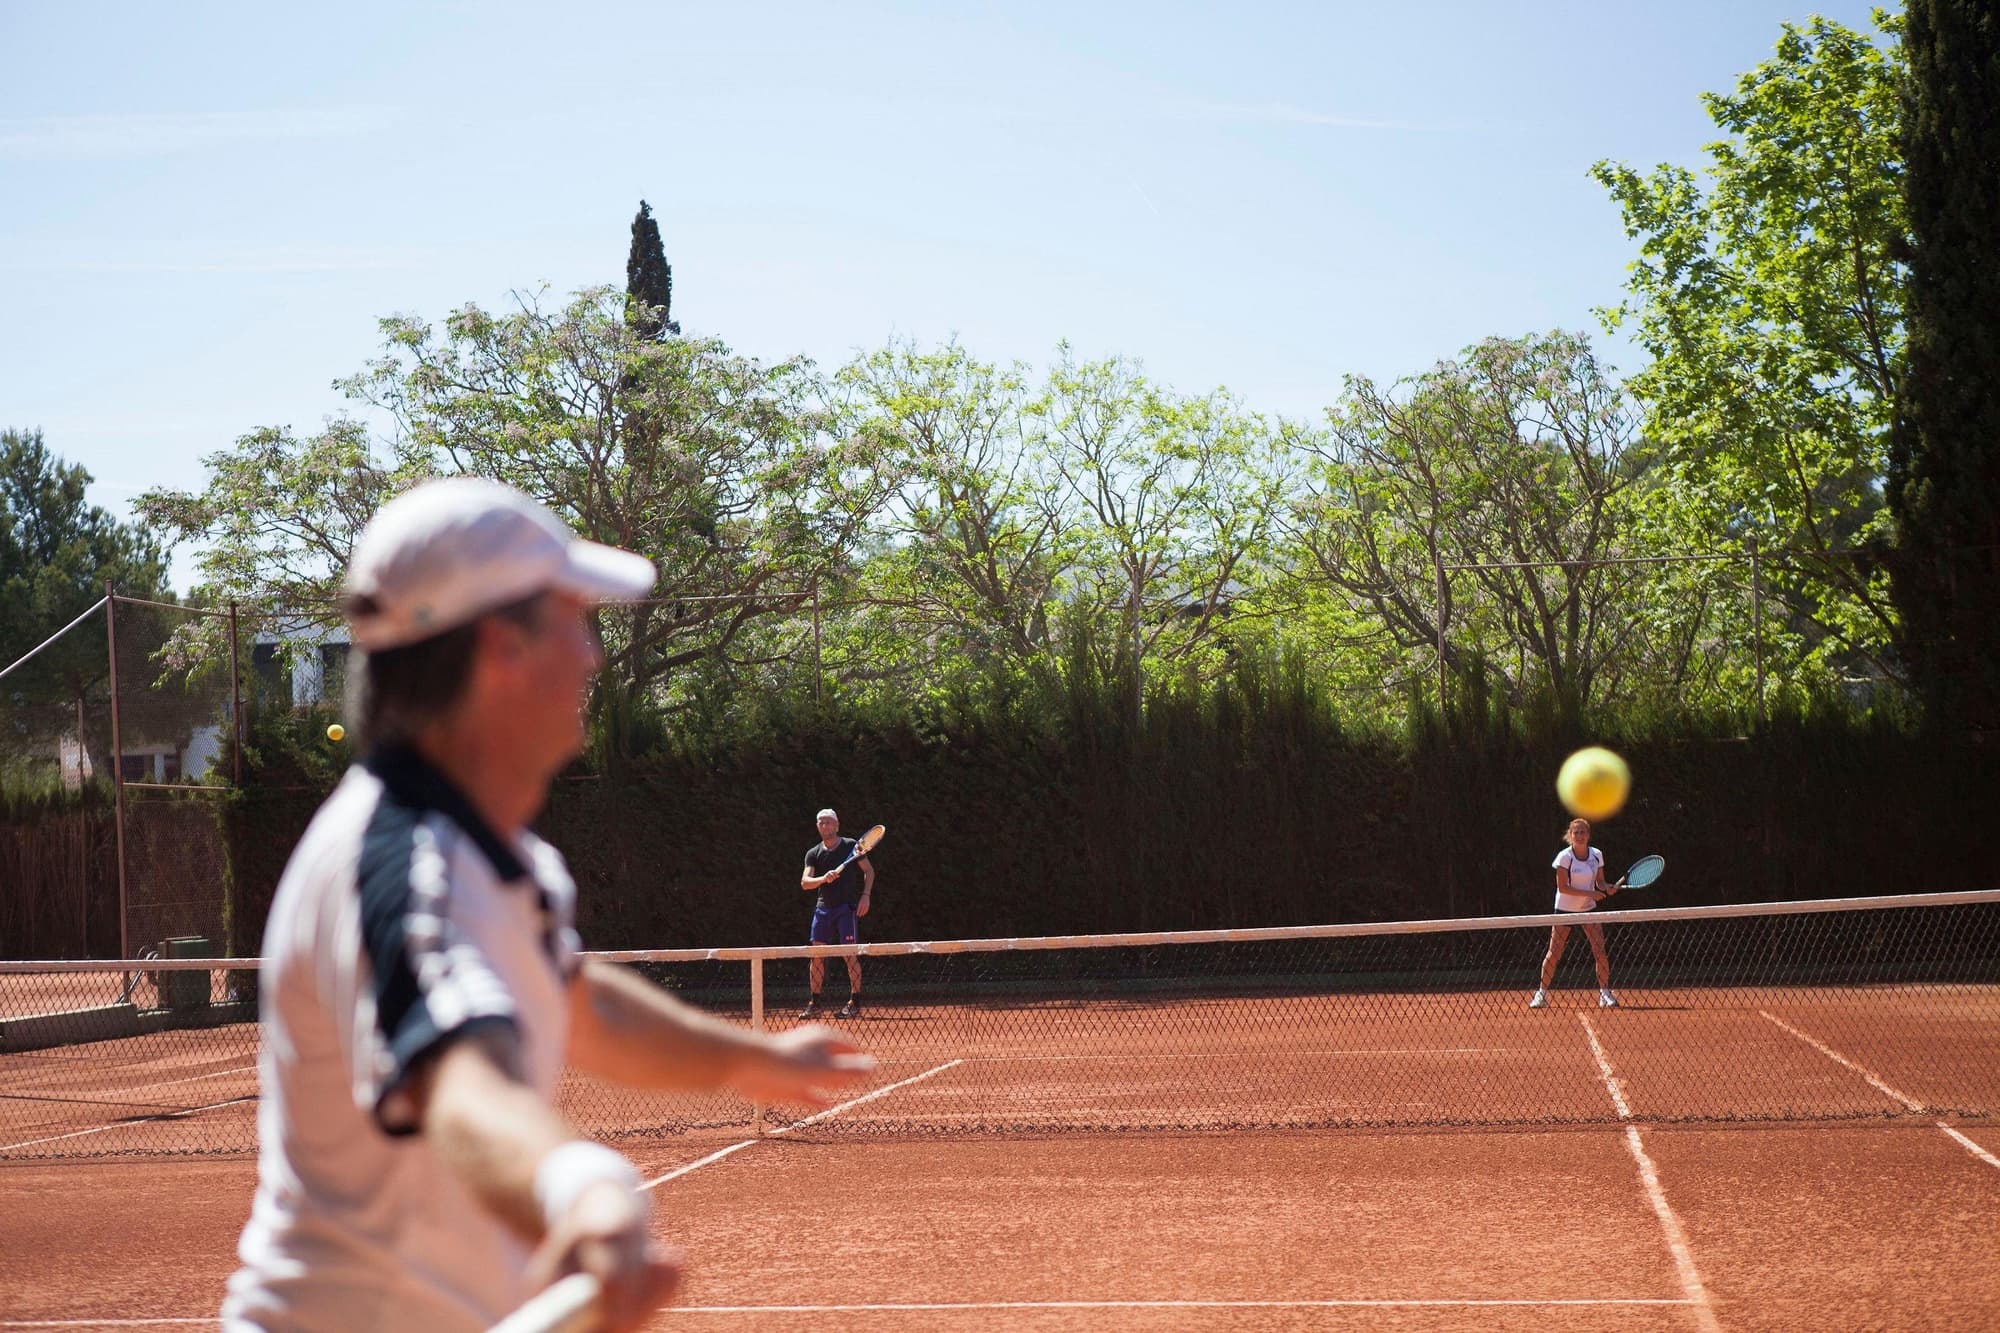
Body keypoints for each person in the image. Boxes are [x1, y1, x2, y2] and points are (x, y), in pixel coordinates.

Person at [223, 479, 871, 1333]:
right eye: (575, 620)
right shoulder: (406, 864)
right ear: (502, 648)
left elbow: (580, 1005)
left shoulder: (502, 859)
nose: (593, 655)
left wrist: (753, 1061)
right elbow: (458, 1084)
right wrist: (582, 1183)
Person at [1529, 817, 1621, 1010]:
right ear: (1570, 835)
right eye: (1576, 832)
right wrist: (1592, 894)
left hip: (1588, 909)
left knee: (1600, 952)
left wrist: (1607, 887)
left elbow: (1600, 882)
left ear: (1588, 835)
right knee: (1554, 953)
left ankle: (1605, 993)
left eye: (1583, 832)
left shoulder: (1597, 855)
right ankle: (1541, 994)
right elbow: (1563, 888)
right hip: (1564, 909)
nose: (1579, 835)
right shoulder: (1564, 857)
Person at [798, 808, 873, 1020]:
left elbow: (869, 871)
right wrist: (823, 879)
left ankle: (855, 1002)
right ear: (817, 827)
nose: (825, 826)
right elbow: (805, 883)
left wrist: (865, 896)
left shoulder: (851, 846)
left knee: (849, 954)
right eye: (821, 823)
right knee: (816, 956)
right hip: (823, 909)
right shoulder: (813, 854)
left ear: (837, 825)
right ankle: (815, 1003)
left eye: (829, 822)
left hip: (845, 909)